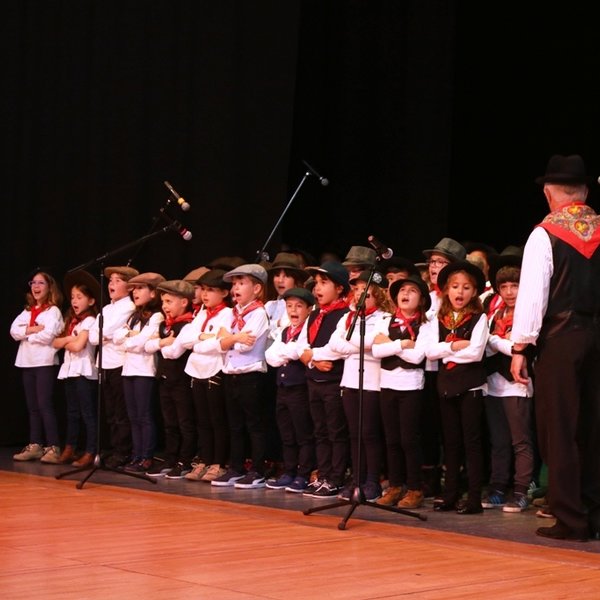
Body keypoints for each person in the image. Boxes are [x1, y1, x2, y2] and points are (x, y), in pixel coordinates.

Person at [510, 154, 600, 541]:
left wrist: (520, 346)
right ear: (585, 191)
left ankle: (571, 519)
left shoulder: (544, 234)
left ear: (549, 194)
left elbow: (533, 296)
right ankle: (594, 511)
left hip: (562, 337)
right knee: (594, 427)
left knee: (559, 427)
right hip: (598, 337)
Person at [426, 260, 488, 515]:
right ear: (446, 290)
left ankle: (473, 498)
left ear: (474, 292)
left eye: (465, 288)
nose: (459, 292)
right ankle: (449, 494)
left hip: (470, 387)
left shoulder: (479, 317)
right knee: (450, 443)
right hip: (446, 386)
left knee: (471, 443)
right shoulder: (437, 319)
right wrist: (453, 347)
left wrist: (448, 353)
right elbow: (430, 351)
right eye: (454, 287)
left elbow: (475, 353)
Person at [329, 270, 393, 502]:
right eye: (356, 290)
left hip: (373, 383)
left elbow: (375, 344)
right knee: (354, 434)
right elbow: (334, 344)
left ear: (378, 294)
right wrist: (356, 344)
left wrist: (350, 342)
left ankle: (372, 481)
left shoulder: (386, 318)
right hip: (350, 381)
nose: (358, 295)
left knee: (369, 433)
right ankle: (357, 479)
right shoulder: (347, 317)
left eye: (365, 291)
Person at [372, 274, 434, 509]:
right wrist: (402, 344)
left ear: (422, 299)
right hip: (387, 384)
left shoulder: (426, 325)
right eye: (402, 291)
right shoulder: (385, 320)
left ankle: (415, 488)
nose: (406, 294)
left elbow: (418, 356)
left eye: (412, 291)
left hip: (411, 386)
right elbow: (377, 351)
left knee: (409, 440)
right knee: (392, 440)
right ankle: (395, 486)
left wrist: (390, 345)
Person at [483, 247, 535, 513]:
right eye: (504, 286)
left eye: (514, 286)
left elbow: (521, 343)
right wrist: (496, 342)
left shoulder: (529, 314)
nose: (509, 292)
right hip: (494, 382)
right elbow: (487, 342)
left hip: (518, 384)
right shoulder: (494, 311)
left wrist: (496, 342)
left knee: (520, 441)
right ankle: (498, 487)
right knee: (499, 440)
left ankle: (522, 489)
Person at [211, 264, 270, 489]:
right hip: (231, 374)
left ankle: (257, 470)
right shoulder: (232, 313)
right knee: (234, 425)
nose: (236, 287)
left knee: (254, 425)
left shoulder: (258, 313)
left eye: (241, 283)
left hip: (251, 376)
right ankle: (236, 468)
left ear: (256, 289)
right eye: (234, 283)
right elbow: (219, 343)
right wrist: (234, 338)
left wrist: (229, 338)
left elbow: (247, 346)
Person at [298, 261, 350, 498]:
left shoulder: (345, 314)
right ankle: (324, 474)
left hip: (334, 381)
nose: (317, 288)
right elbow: (301, 346)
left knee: (335, 431)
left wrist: (313, 355)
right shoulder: (315, 313)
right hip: (314, 379)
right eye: (316, 283)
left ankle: (336, 478)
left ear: (339, 288)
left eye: (324, 283)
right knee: (319, 430)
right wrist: (312, 360)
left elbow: (337, 348)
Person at [420, 237, 467, 496]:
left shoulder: (461, 300)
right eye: (432, 262)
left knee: (452, 428)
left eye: (441, 262)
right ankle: (429, 476)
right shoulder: (425, 297)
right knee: (428, 424)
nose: (434, 267)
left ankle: (454, 477)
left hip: (454, 371)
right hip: (427, 369)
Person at [179, 269, 233, 482]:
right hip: (196, 370)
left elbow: (220, 344)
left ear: (224, 293)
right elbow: (185, 340)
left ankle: (218, 462)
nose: (205, 295)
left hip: (214, 370)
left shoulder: (227, 314)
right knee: (201, 420)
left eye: (211, 290)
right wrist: (204, 337)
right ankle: (204, 458)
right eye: (204, 290)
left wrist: (199, 342)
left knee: (216, 419)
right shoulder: (200, 313)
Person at [265, 287, 316, 493]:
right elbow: (271, 356)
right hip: (283, 388)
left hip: (299, 388)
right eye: (289, 306)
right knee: (287, 433)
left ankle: (303, 474)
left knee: (303, 433)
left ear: (309, 309)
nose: (293, 310)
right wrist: (287, 352)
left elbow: (298, 352)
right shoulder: (286, 331)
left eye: (299, 306)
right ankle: (289, 471)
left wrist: (286, 352)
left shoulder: (309, 329)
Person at [10, 270, 64, 462]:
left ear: (49, 287)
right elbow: (13, 331)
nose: (36, 287)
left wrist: (27, 334)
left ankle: (53, 446)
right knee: (32, 406)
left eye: (40, 283)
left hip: (44, 362)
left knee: (45, 405)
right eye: (33, 283)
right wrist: (33, 329)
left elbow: (48, 335)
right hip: (27, 361)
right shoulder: (27, 311)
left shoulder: (53, 311)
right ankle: (35, 444)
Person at [113, 272, 165, 473]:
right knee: (133, 416)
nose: (135, 292)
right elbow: (118, 336)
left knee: (144, 415)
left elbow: (142, 342)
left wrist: (130, 339)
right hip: (128, 369)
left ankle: (147, 456)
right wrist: (130, 336)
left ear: (153, 293)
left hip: (145, 370)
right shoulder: (134, 315)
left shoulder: (157, 316)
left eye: (141, 288)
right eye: (134, 288)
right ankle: (136, 454)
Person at [144, 280, 196, 478]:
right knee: (169, 422)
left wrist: (159, 345)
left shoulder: (187, 324)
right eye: (163, 302)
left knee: (185, 422)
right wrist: (163, 342)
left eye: (168, 301)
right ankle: (170, 458)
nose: (164, 306)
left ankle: (185, 460)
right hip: (165, 379)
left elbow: (172, 353)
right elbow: (148, 347)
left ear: (184, 302)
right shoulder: (164, 326)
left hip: (181, 380)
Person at [88, 265, 138, 469]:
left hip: (119, 362)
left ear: (129, 286)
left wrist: (106, 335)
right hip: (104, 363)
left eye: (118, 280)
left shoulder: (129, 307)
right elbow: (93, 336)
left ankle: (123, 451)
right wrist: (106, 336)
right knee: (109, 411)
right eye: (111, 280)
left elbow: (107, 332)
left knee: (121, 411)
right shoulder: (106, 309)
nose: (112, 284)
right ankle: (113, 447)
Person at [52, 270, 100, 467]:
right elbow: (55, 343)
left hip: (84, 371)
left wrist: (69, 341)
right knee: (72, 412)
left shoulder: (90, 321)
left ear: (90, 301)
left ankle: (90, 450)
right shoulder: (70, 321)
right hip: (69, 370)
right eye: (72, 297)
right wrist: (70, 339)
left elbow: (78, 346)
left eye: (79, 297)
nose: (74, 301)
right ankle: (70, 447)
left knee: (87, 413)